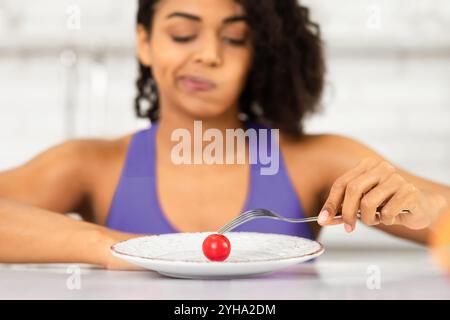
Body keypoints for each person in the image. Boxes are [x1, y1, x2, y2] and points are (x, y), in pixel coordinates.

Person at [0, 0, 449, 270]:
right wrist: (110, 248)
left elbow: (439, 219)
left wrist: (425, 210)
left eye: (235, 39)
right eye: (182, 34)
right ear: (144, 42)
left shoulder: (315, 159)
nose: (209, 55)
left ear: (260, 52)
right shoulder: (90, 164)